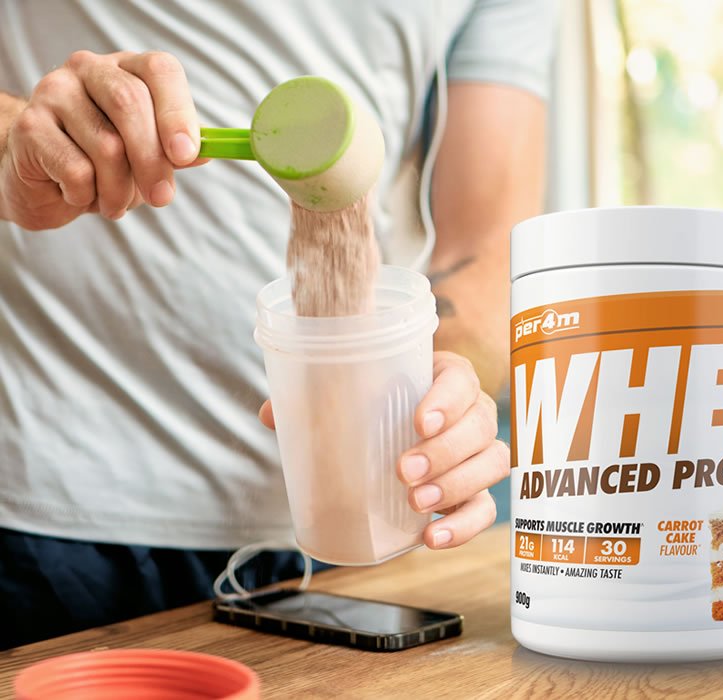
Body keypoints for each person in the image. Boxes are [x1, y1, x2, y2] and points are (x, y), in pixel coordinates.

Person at [0, 0, 555, 648]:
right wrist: (16, 134)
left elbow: (488, 247)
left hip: (346, 544)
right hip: (50, 511)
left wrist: (442, 395)